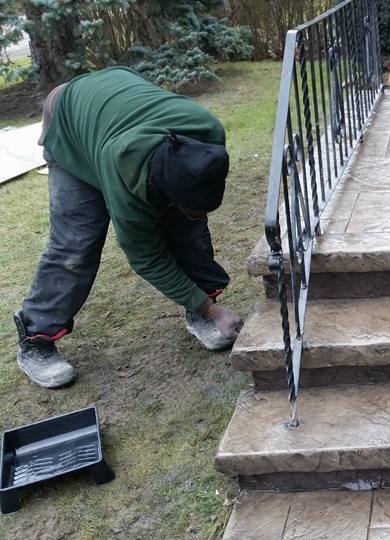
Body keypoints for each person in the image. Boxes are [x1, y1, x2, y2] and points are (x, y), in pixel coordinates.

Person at [13, 66, 244, 389]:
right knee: (76, 243)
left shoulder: (206, 134)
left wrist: (187, 211)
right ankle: (36, 339)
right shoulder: (126, 182)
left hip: (113, 105)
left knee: (187, 227)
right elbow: (147, 258)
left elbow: (190, 203)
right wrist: (216, 311)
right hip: (69, 120)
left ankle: (200, 311)